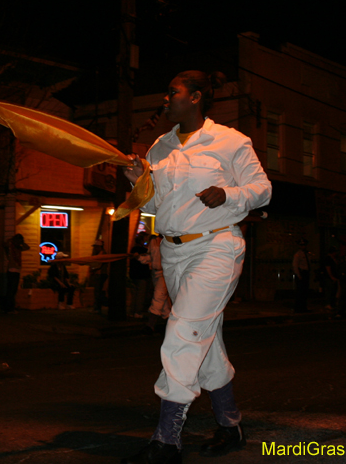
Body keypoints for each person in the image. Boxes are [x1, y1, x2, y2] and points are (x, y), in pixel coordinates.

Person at [121, 70, 271, 463]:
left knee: (183, 331)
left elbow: (262, 189)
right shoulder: (160, 147)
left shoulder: (230, 141)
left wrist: (229, 193)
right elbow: (154, 206)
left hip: (216, 247)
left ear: (197, 97)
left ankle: (167, 440)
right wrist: (139, 182)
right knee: (205, 343)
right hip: (172, 252)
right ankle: (230, 424)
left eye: (173, 92)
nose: (165, 99)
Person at [145, 234, 171, 334]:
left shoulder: (170, 240)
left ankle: (150, 324)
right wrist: (139, 257)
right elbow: (150, 256)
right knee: (163, 301)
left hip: (165, 273)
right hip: (155, 273)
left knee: (158, 296)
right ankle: (170, 322)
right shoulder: (154, 241)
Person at [3, 234, 29, 313]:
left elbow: (27, 247)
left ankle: (10, 307)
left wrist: (22, 242)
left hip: (17, 270)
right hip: (11, 270)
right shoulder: (11, 248)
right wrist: (11, 240)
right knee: (11, 290)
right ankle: (9, 308)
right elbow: (5, 245)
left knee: (13, 290)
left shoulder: (19, 248)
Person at [129, 232, 152, 319]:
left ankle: (132, 311)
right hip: (142, 276)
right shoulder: (143, 251)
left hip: (134, 275)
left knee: (134, 294)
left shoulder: (133, 250)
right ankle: (138, 312)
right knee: (140, 295)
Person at [89, 239, 109, 313]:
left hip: (100, 274)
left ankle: (97, 308)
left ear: (99, 247)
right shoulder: (101, 253)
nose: (94, 248)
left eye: (95, 247)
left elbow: (98, 265)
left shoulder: (102, 254)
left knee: (98, 292)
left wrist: (93, 269)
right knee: (98, 292)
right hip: (100, 274)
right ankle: (97, 307)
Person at [292, 238, 311, 313]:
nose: (303, 246)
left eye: (304, 245)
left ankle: (303, 307)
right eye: (302, 245)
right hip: (301, 273)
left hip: (306, 273)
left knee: (305, 291)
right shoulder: (298, 254)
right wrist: (298, 275)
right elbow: (295, 265)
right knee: (300, 292)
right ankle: (298, 308)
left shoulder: (307, 253)